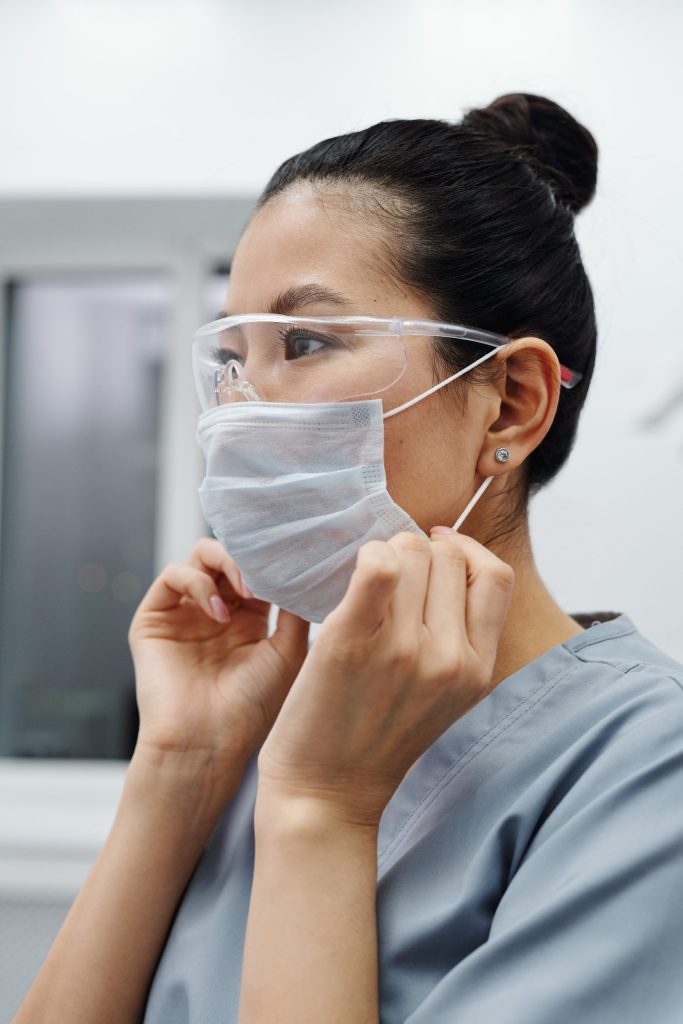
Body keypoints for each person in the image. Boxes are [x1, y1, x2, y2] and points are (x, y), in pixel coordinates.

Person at [14, 93, 683, 1024]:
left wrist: (321, 811)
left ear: (510, 402)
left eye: (305, 341)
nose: (241, 407)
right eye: (233, 357)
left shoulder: (648, 770)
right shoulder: (262, 732)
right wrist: (179, 765)